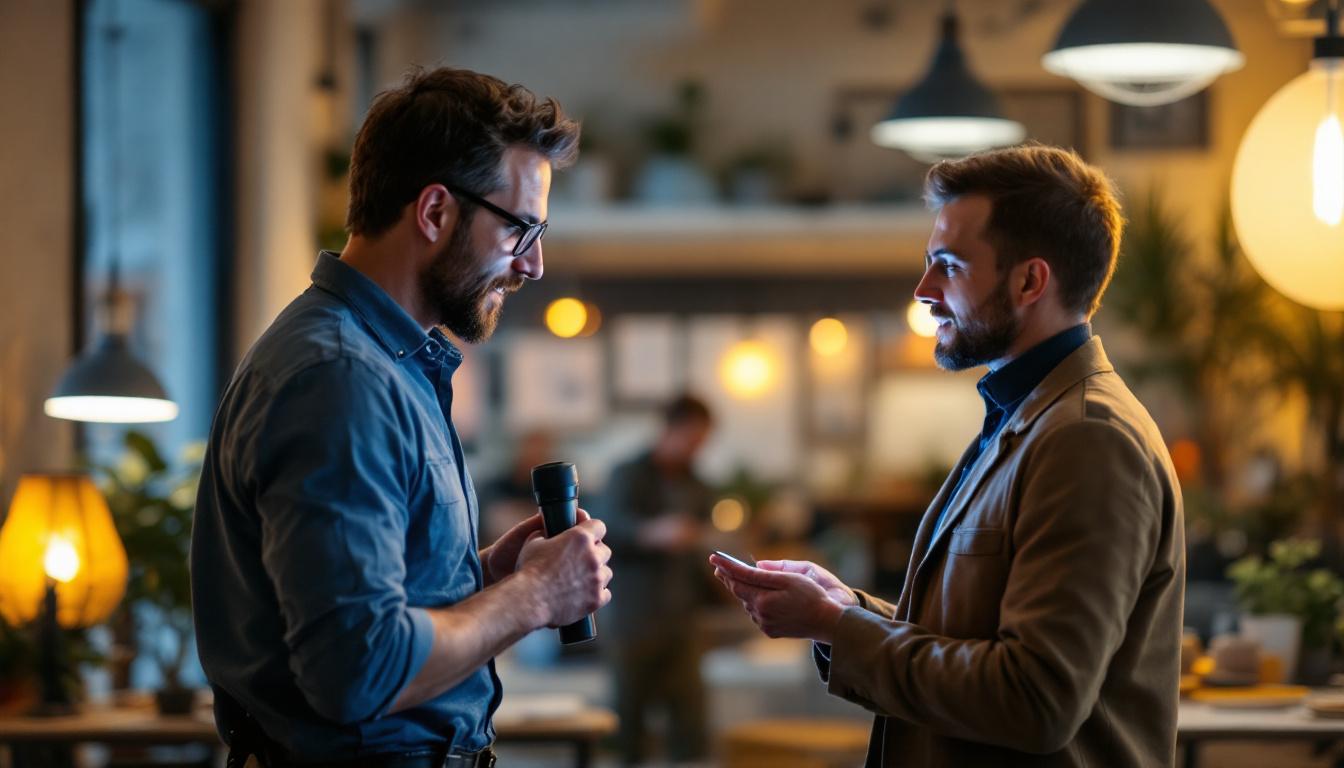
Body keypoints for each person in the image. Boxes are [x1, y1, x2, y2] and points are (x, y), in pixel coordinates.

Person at [191, 67, 612, 768]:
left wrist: (492, 579)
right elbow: (359, 670)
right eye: (521, 228)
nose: (533, 264)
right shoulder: (341, 379)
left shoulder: (385, 363)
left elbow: (368, 611)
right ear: (436, 212)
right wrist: (536, 596)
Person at [711, 145, 1185, 767]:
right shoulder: (1029, 418)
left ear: (1029, 281)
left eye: (949, 266)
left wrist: (836, 627)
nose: (923, 290)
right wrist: (847, 608)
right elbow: (976, 639)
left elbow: (1035, 698)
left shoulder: (1088, 439)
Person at [602, 394, 716, 766]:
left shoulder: (698, 485)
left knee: (690, 725)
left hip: (681, 617)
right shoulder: (627, 474)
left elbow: (701, 544)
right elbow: (606, 529)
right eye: (693, 438)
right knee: (629, 725)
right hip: (633, 618)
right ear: (671, 429)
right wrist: (652, 532)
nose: (697, 448)